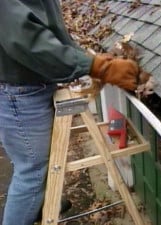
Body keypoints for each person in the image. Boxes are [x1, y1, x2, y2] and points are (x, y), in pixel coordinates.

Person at [0, 1, 139, 225]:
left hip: (30, 85)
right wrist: (97, 67)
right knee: (31, 171)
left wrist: (85, 59)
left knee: (31, 165)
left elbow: (54, 33)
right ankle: (25, 208)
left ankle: (33, 204)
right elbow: (26, 39)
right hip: (19, 91)